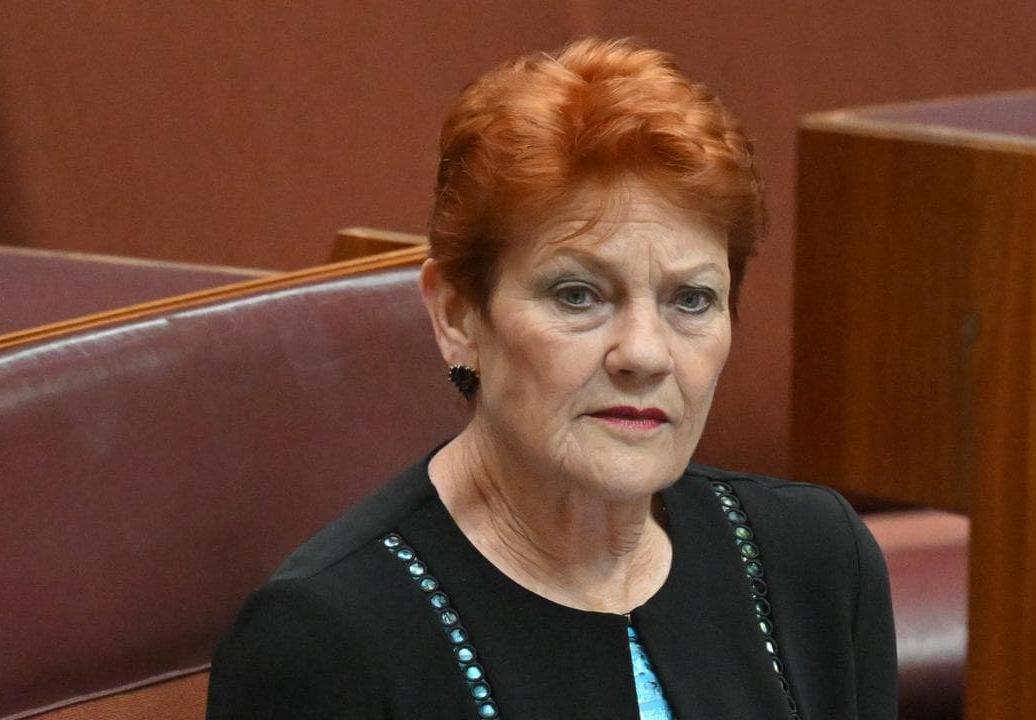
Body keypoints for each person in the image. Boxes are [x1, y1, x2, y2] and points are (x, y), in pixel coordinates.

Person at [206, 37, 897, 720]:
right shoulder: (323, 643)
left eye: (691, 300)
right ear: (457, 313)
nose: (645, 354)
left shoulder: (813, 561)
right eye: (578, 295)